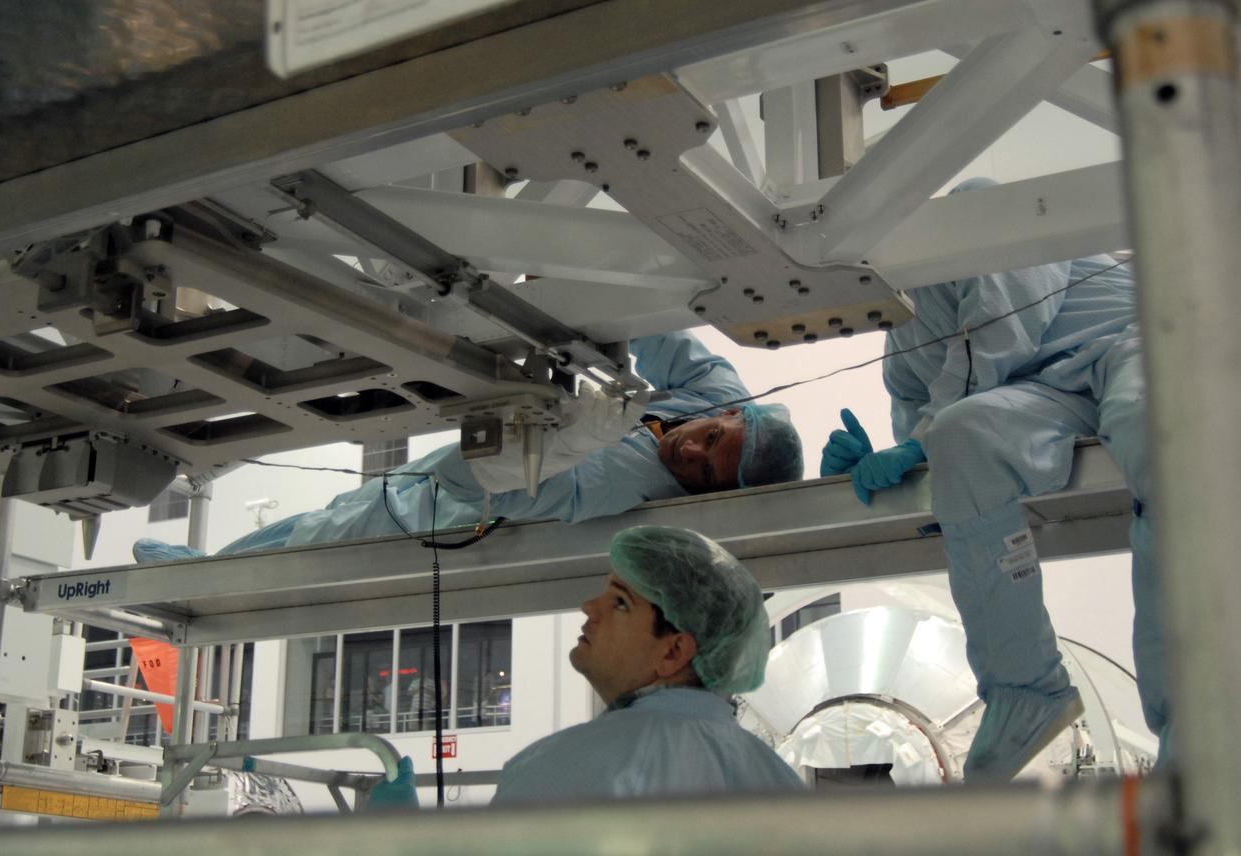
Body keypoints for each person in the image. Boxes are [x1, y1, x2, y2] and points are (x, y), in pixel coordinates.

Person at [819, 178, 1158, 781]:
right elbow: (936, 447)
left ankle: (1193, 715)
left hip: (1127, 340)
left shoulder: (970, 212)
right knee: (962, 438)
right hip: (1045, 393)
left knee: (1147, 426)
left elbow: (1005, 325)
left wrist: (918, 438)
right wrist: (879, 467)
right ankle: (1026, 689)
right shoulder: (901, 345)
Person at [134, 330, 803, 560]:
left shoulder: (620, 487)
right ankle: (202, 562)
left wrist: (569, 444)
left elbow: (477, 481)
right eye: (710, 438)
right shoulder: (718, 390)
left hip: (435, 516)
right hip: (416, 480)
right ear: (732, 412)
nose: (691, 454)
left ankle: (197, 573)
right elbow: (656, 324)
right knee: (321, 516)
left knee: (316, 540)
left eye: (705, 473)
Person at [492, 525, 803, 803]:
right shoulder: (780, 783)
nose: (589, 607)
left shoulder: (557, 768)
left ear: (673, 652)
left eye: (620, 603)